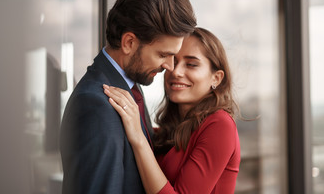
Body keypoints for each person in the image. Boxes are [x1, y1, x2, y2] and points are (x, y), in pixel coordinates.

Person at [60, 0, 197, 194]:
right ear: (129, 43)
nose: (169, 67)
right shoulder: (97, 104)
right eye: (163, 55)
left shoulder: (130, 86)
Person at [103, 27, 241, 194]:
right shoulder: (172, 128)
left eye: (191, 64)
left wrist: (138, 138)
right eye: (173, 61)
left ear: (216, 78)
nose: (176, 71)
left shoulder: (220, 125)